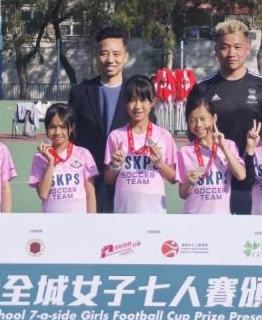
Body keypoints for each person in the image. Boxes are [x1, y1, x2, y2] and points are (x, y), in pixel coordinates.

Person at [190, 20, 262, 215]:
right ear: (216, 50)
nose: (231, 53)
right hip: (216, 177)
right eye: (225, 47)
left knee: (254, 230)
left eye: (237, 47)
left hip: (256, 175)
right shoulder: (202, 88)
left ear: (247, 49)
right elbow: (194, 133)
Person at [68, 26, 138, 212]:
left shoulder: (138, 94)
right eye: (104, 53)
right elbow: (71, 137)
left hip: (128, 182)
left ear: (126, 56)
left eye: (116, 54)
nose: (110, 60)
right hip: (90, 182)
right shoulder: (80, 93)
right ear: (97, 55)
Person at [104, 75, 178, 213]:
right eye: (132, 100)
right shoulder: (116, 136)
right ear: (125, 103)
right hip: (124, 211)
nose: (137, 106)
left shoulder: (163, 135)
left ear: (152, 102)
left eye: (143, 100)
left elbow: (174, 178)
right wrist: (115, 166)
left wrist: (159, 163)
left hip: (154, 212)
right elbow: (108, 180)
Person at [176, 92, 247, 214]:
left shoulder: (229, 145)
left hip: (221, 218)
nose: (198, 125)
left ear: (214, 118)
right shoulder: (184, 152)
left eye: (203, 119)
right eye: (192, 120)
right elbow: (182, 194)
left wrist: (223, 148)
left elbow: (241, 175)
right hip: (193, 218)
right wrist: (188, 182)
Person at [30, 103, 98, 214]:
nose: (57, 132)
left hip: (79, 222)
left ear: (72, 128)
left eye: (63, 127)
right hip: (52, 222)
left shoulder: (83, 154)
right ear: (46, 129)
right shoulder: (39, 157)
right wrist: (50, 162)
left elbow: (90, 193)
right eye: (52, 127)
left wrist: (91, 220)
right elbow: (43, 194)